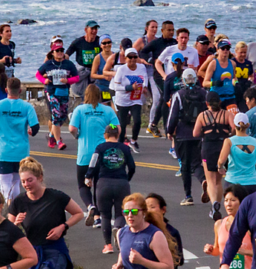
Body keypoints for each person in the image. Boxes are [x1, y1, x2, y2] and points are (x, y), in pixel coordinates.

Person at [8, 157, 84, 269]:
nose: (26, 184)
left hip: (55, 250)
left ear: (40, 177)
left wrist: (63, 226)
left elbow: (78, 213)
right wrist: (16, 224)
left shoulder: (56, 196)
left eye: (30, 180)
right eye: (23, 181)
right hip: (32, 252)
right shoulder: (18, 202)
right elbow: (8, 230)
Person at [70, 83, 119, 228]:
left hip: (85, 154)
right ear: (99, 96)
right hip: (103, 152)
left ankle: (90, 206)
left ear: (85, 95)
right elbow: (117, 128)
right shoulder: (107, 110)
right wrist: (110, 135)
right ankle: (98, 218)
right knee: (99, 185)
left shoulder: (80, 110)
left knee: (82, 185)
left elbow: (72, 128)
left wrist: (77, 135)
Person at [0, 77, 40, 202]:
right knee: (16, 183)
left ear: (6, 90)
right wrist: (30, 131)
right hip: (21, 152)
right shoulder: (27, 107)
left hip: (3, 152)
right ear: (20, 90)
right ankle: (15, 208)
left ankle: (10, 209)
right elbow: (35, 128)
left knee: (5, 185)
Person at [86, 125, 136, 254]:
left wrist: (88, 176)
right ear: (118, 135)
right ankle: (118, 228)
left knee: (105, 215)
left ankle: (108, 245)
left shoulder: (100, 148)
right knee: (121, 213)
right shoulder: (125, 148)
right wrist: (126, 179)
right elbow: (132, 167)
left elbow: (93, 162)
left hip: (104, 183)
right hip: (121, 183)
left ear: (105, 135)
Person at [167, 69, 208, 206]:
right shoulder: (204, 93)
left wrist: (169, 131)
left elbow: (173, 116)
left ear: (183, 81)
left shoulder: (179, 94)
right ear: (195, 79)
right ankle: (203, 180)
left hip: (182, 134)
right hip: (199, 133)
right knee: (196, 162)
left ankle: (188, 195)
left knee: (185, 164)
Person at [36, 38, 81, 150]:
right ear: (53, 52)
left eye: (61, 50)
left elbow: (77, 77)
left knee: (62, 116)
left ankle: (51, 136)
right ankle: (59, 141)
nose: (60, 52)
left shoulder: (68, 64)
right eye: (57, 51)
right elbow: (38, 74)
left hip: (64, 92)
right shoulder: (48, 64)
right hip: (52, 92)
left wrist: (67, 81)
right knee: (56, 115)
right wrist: (44, 81)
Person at [114, 192, 177, 269]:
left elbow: (169, 266)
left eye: (134, 211)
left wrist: (142, 261)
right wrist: (119, 264)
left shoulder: (155, 235)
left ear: (144, 212)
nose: (130, 215)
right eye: (126, 212)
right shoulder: (121, 233)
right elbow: (123, 252)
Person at [196, 91, 233, 219]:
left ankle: (214, 205)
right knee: (218, 180)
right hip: (222, 146)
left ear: (207, 103)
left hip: (208, 147)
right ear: (220, 102)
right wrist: (228, 133)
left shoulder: (202, 115)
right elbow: (234, 128)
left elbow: (195, 133)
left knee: (210, 180)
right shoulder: (227, 114)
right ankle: (217, 204)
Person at [137, 19, 174, 138]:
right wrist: (147, 60)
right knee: (164, 97)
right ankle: (164, 126)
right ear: (163, 30)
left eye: (173, 30)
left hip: (171, 75)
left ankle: (154, 124)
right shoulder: (156, 43)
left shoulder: (175, 43)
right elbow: (143, 52)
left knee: (164, 98)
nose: (171, 32)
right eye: (169, 30)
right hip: (158, 75)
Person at [204, 184, 253, 268]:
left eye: (233, 200)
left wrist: (244, 251)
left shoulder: (251, 225)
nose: (228, 204)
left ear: (243, 202)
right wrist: (211, 250)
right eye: (226, 200)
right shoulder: (219, 224)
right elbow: (218, 250)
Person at [112, 48, 147, 150]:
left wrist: (145, 87)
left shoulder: (141, 67)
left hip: (136, 98)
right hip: (123, 100)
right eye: (130, 57)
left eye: (135, 57)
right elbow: (116, 87)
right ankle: (120, 144)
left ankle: (133, 141)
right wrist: (130, 87)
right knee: (123, 124)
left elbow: (145, 78)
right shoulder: (121, 70)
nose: (132, 59)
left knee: (137, 121)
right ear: (125, 58)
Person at [221, 112, 256, 196]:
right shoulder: (255, 141)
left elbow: (221, 161)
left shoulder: (229, 141)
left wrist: (220, 167)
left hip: (233, 181)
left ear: (234, 125)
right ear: (248, 125)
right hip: (252, 182)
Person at [66, 21, 101, 102]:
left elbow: (107, 54)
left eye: (96, 29)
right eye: (92, 29)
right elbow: (67, 55)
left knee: (96, 95)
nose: (94, 31)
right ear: (86, 30)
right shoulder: (78, 42)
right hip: (82, 72)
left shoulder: (100, 41)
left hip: (95, 72)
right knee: (82, 95)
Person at [144, 194, 184, 267]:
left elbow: (179, 260)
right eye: (145, 208)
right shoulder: (141, 231)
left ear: (163, 210)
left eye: (152, 207)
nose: (148, 211)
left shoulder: (172, 232)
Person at [203, 39, 239, 109]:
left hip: (230, 97)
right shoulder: (213, 64)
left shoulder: (233, 63)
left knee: (233, 115)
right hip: (217, 98)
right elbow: (204, 83)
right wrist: (214, 83)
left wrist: (236, 83)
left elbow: (234, 78)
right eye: (223, 48)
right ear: (218, 50)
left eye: (227, 48)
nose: (225, 50)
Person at [91, 35, 116, 105]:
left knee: (115, 107)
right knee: (104, 107)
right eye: (104, 43)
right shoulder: (98, 58)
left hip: (114, 87)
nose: (107, 45)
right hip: (102, 87)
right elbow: (92, 74)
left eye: (109, 42)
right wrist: (104, 76)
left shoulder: (116, 56)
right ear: (100, 45)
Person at [232, 42, 256, 111]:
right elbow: (231, 76)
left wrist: (250, 81)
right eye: (241, 52)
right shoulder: (232, 62)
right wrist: (236, 83)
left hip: (245, 90)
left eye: (245, 52)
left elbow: (251, 75)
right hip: (235, 91)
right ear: (236, 51)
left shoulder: (248, 63)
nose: (243, 54)